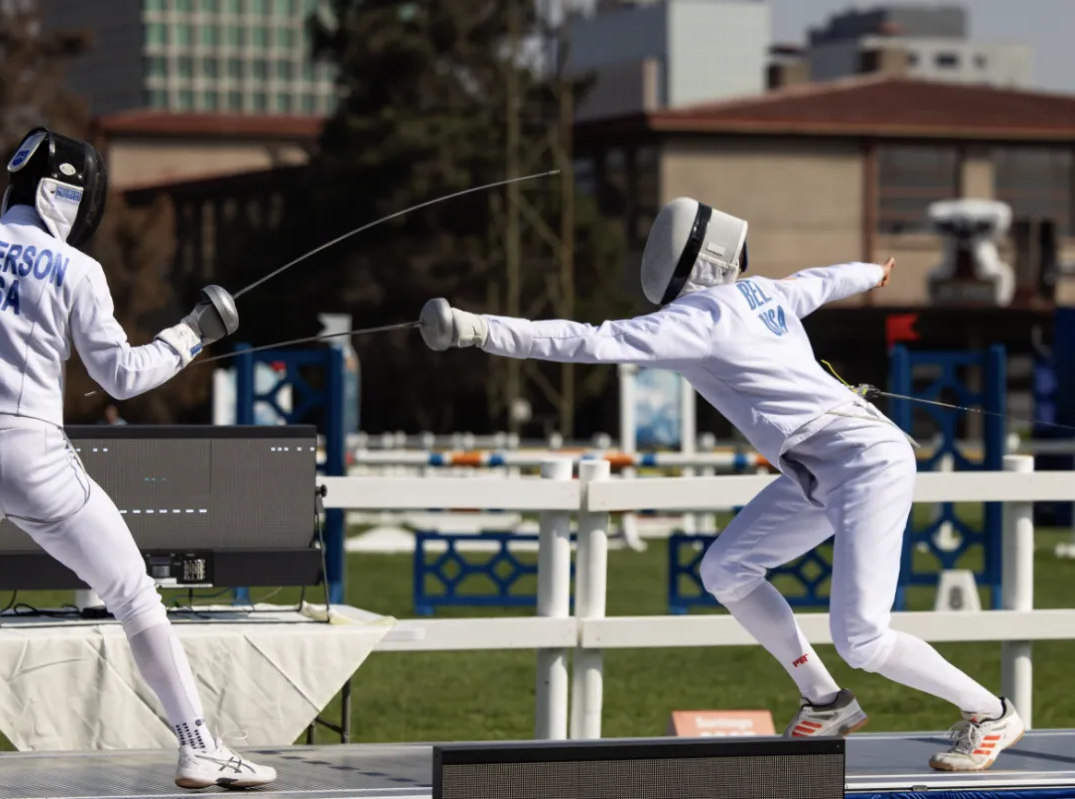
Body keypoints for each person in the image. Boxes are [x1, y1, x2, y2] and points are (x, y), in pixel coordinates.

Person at [418, 197, 1024, 772]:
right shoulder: (746, 301)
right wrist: (872, 271)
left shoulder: (706, 314)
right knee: (726, 570)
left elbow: (587, 338)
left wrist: (477, 329)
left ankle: (991, 714)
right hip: (822, 467)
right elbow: (823, 279)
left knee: (862, 637)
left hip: (865, 462)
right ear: (713, 260)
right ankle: (825, 701)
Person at [0, 128, 276, 797]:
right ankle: (200, 748)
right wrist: (193, 333)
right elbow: (120, 375)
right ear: (70, 199)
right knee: (133, 595)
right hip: (34, 454)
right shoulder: (77, 271)